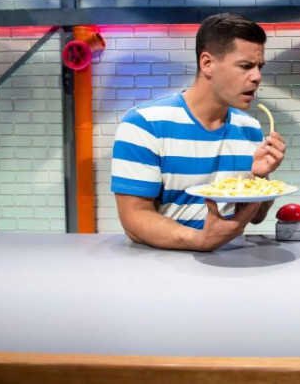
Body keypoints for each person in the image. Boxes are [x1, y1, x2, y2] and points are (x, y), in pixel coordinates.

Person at [111, 13, 286, 251]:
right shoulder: (144, 124)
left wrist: (260, 178)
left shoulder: (250, 128)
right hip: (165, 264)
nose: (257, 77)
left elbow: (257, 217)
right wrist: (201, 241)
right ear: (207, 63)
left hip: (235, 262)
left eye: (259, 67)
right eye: (246, 66)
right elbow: (134, 218)